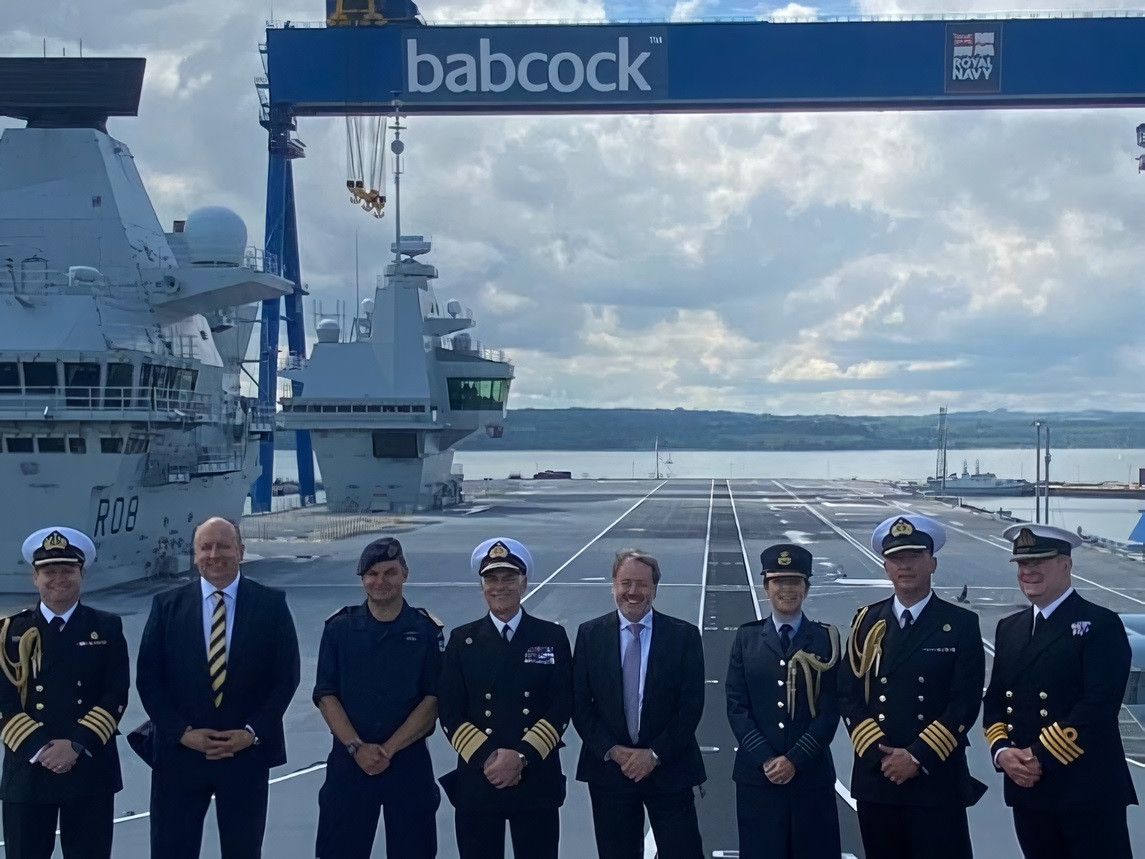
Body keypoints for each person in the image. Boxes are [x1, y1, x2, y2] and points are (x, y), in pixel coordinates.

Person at [136, 516, 300, 859]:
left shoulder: (271, 605)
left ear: (240, 550)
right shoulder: (166, 607)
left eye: (224, 546)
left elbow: (286, 678)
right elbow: (149, 679)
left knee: (243, 850)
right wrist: (182, 733)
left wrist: (252, 732)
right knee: (171, 850)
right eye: (205, 547)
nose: (215, 554)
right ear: (194, 555)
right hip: (181, 756)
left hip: (244, 755)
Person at [983, 523, 1137, 858]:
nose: (1029, 571)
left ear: (1066, 564)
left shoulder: (1101, 624)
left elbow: (1098, 705)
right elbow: (995, 701)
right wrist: (1003, 753)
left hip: (1085, 791)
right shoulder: (1010, 629)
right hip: (1029, 789)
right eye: (1023, 564)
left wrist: (1035, 755)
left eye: (1039, 561)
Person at [839, 514, 986, 859]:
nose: (905, 566)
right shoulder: (865, 622)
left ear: (932, 563)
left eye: (914, 557)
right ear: (886, 567)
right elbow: (848, 694)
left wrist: (917, 756)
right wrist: (880, 755)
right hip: (879, 777)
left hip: (935, 777)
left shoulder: (960, 624)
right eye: (896, 559)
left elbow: (964, 701)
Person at [437, 538, 573, 859]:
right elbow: (450, 711)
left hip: (535, 776)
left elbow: (562, 704)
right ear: (481, 586)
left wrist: (521, 757)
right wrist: (489, 759)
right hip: (479, 777)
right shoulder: (462, 640)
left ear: (524, 583)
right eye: (491, 579)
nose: (500, 587)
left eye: (509, 578)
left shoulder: (551, 637)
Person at [0, 527, 129, 859]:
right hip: (28, 771)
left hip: (88, 766)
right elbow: (4, 700)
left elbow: (115, 694)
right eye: (49, 571)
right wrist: (41, 749)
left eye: (67, 570)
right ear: (35, 577)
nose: (58, 578)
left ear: (81, 574)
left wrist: (75, 745)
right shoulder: (9, 632)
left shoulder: (108, 627)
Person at [312, 537, 443, 858]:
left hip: (408, 765)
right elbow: (326, 695)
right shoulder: (339, 629)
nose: (380, 581)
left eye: (390, 572)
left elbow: (433, 699)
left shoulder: (427, 631)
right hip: (348, 764)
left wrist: (387, 750)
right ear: (362, 579)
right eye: (371, 574)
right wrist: (357, 748)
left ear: (405, 574)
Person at [572, 549, 706, 859]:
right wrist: (616, 752)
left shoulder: (683, 636)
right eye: (625, 583)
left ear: (655, 589)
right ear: (613, 586)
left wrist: (654, 754)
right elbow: (580, 705)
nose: (633, 592)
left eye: (642, 584)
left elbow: (691, 706)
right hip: (610, 772)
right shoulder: (590, 635)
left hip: (670, 768)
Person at [725, 544, 841, 859]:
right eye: (778, 581)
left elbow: (830, 711)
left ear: (806, 588)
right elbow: (736, 705)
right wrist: (766, 758)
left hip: (809, 777)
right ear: (766, 587)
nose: (786, 589)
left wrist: (794, 760)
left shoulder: (826, 640)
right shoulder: (746, 639)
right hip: (757, 779)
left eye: (794, 581)